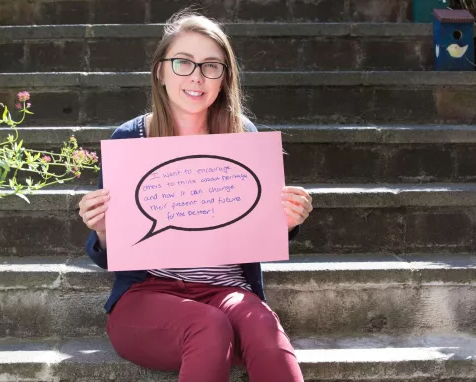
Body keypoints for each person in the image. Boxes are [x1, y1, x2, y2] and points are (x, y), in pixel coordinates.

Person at [78, 10, 313, 382]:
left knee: (264, 329)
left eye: (211, 66)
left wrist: (284, 221)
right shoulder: (130, 139)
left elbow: (255, 228)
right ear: (161, 70)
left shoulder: (243, 136)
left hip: (229, 291)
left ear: (225, 77)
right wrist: (104, 228)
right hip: (146, 298)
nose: (197, 77)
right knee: (208, 325)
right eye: (183, 63)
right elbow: (110, 253)